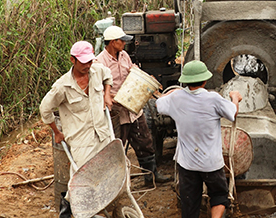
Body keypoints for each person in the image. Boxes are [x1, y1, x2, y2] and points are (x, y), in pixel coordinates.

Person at [156, 61, 242, 218]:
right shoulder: (213, 98)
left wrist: (173, 91)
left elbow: (159, 104)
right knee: (219, 196)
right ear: (205, 81)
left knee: (189, 204)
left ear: (186, 81)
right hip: (211, 163)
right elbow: (232, 113)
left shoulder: (176, 98)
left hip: (187, 164)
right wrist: (235, 97)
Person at [40, 41, 113, 218]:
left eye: (90, 61)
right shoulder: (62, 86)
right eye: (84, 62)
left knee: (105, 172)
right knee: (81, 177)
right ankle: (68, 210)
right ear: (72, 60)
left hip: (103, 133)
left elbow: (108, 74)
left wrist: (107, 93)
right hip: (81, 140)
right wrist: (57, 132)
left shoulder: (96, 71)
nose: (88, 66)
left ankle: (98, 207)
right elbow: (44, 109)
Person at [96, 25, 171, 185]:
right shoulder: (99, 63)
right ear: (112, 42)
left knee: (145, 142)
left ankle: (151, 176)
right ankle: (112, 183)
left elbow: (131, 75)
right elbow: (98, 90)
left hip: (133, 110)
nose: (124, 43)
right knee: (115, 147)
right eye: (121, 41)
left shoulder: (124, 56)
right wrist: (111, 96)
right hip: (116, 112)